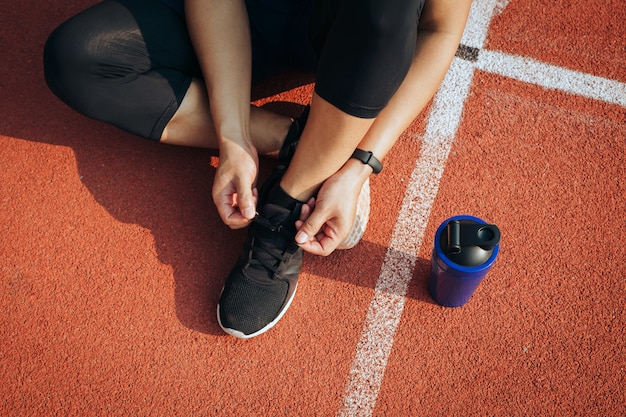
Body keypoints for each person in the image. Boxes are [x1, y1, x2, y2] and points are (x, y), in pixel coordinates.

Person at [44, 0, 471, 338]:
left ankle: (288, 202)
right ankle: (301, 140)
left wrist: (361, 163)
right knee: (79, 58)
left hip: (344, 21)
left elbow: (440, 27)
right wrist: (234, 137)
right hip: (238, 10)